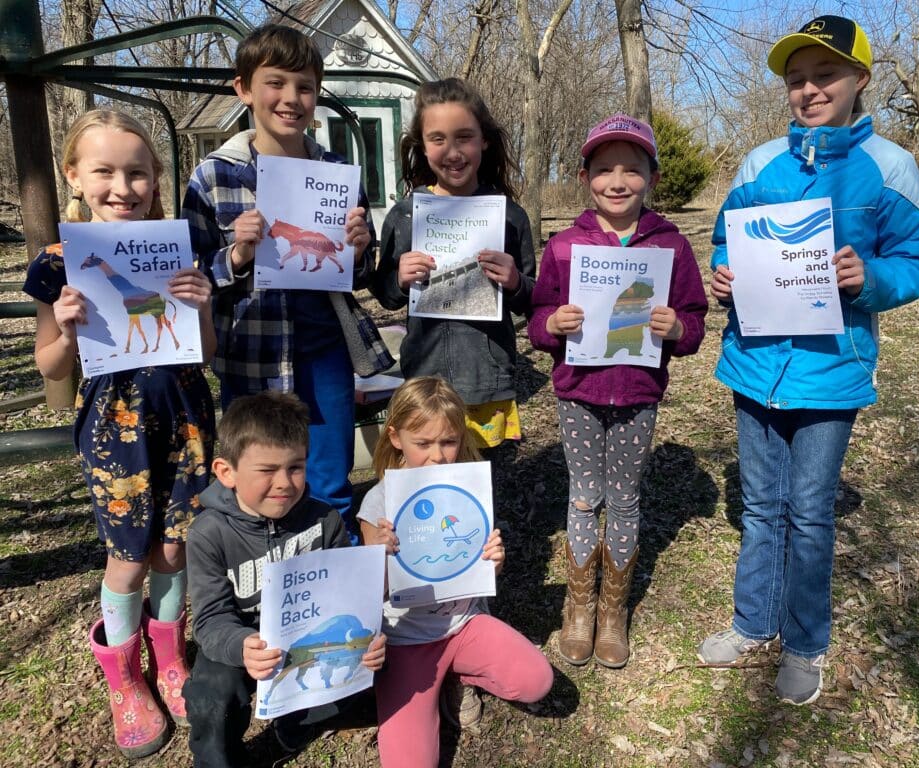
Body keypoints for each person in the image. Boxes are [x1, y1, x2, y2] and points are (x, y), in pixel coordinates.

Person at [696, 16, 919, 705]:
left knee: (808, 512)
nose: (808, 90)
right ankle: (752, 623)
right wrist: (722, 274)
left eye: (824, 76)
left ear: (860, 80)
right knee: (759, 506)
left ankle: (806, 643)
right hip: (753, 363)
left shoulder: (889, 167)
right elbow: (726, 242)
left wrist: (870, 279)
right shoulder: (758, 163)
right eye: (796, 79)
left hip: (832, 371)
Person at [23, 109, 217, 757]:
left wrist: (202, 307)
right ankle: (124, 678)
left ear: (156, 177)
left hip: (186, 416)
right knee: (130, 555)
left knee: (174, 548)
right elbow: (49, 363)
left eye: (137, 172)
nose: (122, 186)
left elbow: (205, 353)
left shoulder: (181, 247)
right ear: (73, 175)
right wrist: (69, 328)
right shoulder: (58, 264)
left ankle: (170, 658)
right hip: (115, 428)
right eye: (104, 170)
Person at [183, 24, 393, 541]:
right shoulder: (214, 176)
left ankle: (335, 592)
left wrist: (362, 248)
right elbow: (188, 277)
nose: (291, 99)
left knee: (328, 477)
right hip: (250, 353)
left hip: (326, 347)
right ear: (244, 89)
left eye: (304, 86)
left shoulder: (339, 171)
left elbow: (358, 273)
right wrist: (235, 254)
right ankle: (262, 590)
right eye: (275, 83)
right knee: (261, 481)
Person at [528, 114, 708, 669]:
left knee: (624, 498)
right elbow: (537, 318)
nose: (617, 180)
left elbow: (696, 319)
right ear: (585, 177)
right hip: (577, 392)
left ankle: (613, 611)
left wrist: (677, 329)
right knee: (584, 497)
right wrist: (551, 326)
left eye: (632, 169)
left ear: (651, 177)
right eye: (604, 169)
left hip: (638, 393)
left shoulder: (671, 247)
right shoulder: (564, 246)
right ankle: (578, 608)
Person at [183, 391, 387, 767]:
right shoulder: (208, 534)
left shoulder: (324, 520)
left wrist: (370, 636)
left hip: (308, 637)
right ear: (226, 472)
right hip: (245, 641)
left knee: (381, 669)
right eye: (267, 470)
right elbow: (210, 620)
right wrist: (242, 645)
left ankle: (294, 725)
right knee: (212, 695)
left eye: (295, 467)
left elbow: (348, 598)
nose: (284, 483)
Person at [358, 377, 553, 768]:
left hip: (465, 624)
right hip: (405, 640)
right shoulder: (378, 501)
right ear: (395, 437)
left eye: (447, 442)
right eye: (423, 443)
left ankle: (458, 677)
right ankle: (437, 686)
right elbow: (370, 592)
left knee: (536, 681)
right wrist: (378, 554)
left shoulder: (468, 486)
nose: (437, 456)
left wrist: (494, 561)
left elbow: (474, 563)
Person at [370, 78, 535, 464]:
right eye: (438, 139)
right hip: (424, 381)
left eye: (464, 137)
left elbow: (533, 299)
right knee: (426, 476)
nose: (453, 151)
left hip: (486, 382)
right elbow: (385, 294)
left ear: (484, 141)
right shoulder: (406, 215)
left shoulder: (509, 216)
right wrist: (397, 277)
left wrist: (514, 282)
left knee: (481, 483)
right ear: (422, 145)